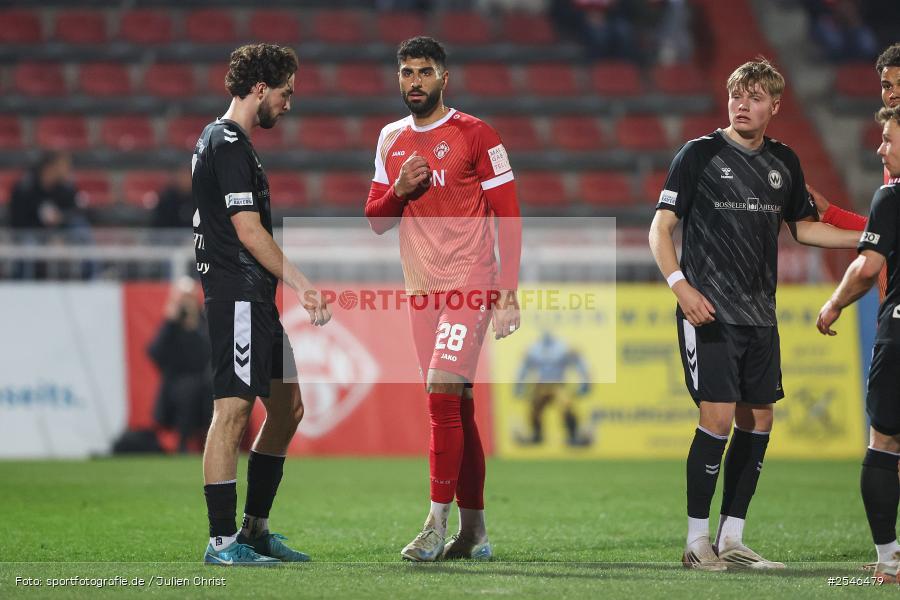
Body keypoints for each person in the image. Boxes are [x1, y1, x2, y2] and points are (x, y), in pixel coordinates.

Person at [648, 58, 860, 571]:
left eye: (755, 98)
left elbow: (804, 228)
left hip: (760, 315)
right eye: (736, 96)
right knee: (718, 418)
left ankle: (733, 539)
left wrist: (871, 238)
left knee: (760, 419)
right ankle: (696, 542)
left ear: (775, 107)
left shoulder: (784, 161)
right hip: (708, 311)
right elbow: (660, 228)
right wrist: (681, 287)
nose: (742, 105)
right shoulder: (698, 154)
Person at [364, 36, 522, 562]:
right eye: (407, 72)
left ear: (444, 78)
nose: (415, 82)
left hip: (469, 284)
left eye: (425, 72)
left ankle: (435, 525)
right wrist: (399, 190)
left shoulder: (477, 134)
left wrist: (507, 292)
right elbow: (376, 221)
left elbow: (509, 216)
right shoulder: (390, 138)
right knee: (457, 406)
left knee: (439, 396)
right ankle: (475, 533)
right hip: (421, 291)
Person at [193, 43, 331, 567]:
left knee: (288, 408)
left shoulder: (231, 142)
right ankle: (221, 542)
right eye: (285, 93)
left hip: (256, 300)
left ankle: (254, 529)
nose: (288, 104)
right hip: (237, 296)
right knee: (232, 411)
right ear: (259, 89)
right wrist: (302, 283)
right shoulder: (226, 142)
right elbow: (248, 231)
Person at [816, 106, 900, 583]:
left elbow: (868, 266)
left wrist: (833, 303)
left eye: (887, 138)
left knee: (884, 443)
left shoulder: (891, 195)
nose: (880, 148)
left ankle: (889, 560)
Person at [807, 43, 900, 298]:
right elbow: (886, 229)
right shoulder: (892, 153)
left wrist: (836, 302)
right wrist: (831, 213)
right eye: (886, 86)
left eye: (899, 84)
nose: (893, 93)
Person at [147, 277, 213, 453]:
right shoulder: (171, 325)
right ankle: (183, 443)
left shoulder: (203, 321)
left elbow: (209, 351)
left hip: (204, 381)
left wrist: (195, 324)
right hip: (177, 382)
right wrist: (170, 322)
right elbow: (154, 352)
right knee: (187, 390)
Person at [514, 331, 592, 446]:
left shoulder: (563, 348)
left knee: (567, 407)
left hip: (558, 384)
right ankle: (537, 434)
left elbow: (578, 363)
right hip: (541, 385)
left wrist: (585, 381)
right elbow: (524, 368)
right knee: (535, 408)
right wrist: (519, 385)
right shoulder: (534, 349)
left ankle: (573, 435)